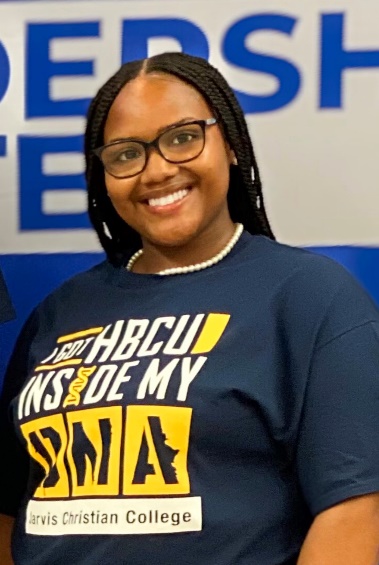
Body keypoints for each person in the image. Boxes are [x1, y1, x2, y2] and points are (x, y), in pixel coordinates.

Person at [1, 52, 379, 565]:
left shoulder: (311, 297)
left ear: (231, 145)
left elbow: (356, 510)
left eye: (183, 138)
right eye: (126, 153)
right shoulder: (58, 313)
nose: (156, 170)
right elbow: (11, 507)